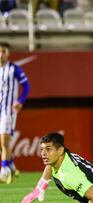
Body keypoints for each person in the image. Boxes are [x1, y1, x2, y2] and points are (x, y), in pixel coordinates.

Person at [0, 42, 30, 184]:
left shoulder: (14, 69)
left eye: (3, 51)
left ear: (8, 53)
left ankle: (4, 170)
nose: (1, 54)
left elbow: (26, 85)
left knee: (4, 139)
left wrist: (20, 101)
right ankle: (10, 164)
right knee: (1, 143)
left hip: (8, 111)